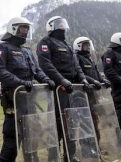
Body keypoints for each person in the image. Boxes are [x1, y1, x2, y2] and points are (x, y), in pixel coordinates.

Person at [0, 16, 55, 162]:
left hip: (30, 102)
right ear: (13, 28)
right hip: (13, 101)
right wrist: (20, 82)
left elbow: (37, 70)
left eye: (27, 29)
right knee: (12, 141)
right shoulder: (2, 48)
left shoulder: (27, 51)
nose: (25, 32)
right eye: (22, 28)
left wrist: (46, 80)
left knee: (32, 140)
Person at [36, 16, 91, 162]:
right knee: (55, 124)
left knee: (71, 124)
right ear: (51, 26)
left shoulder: (66, 45)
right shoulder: (45, 43)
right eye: (59, 24)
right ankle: (53, 157)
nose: (62, 26)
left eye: (63, 24)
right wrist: (61, 80)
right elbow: (46, 64)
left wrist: (83, 79)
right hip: (58, 90)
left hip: (72, 90)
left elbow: (76, 66)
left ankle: (70, 156)